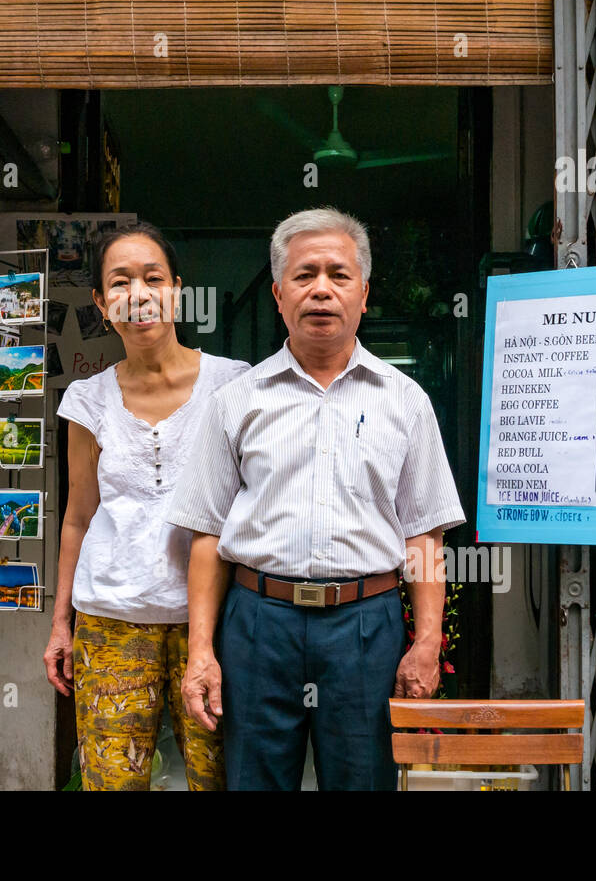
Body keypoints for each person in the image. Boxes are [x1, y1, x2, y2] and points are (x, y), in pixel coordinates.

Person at [168, 207, 465, 791]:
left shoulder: (405, 402)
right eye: (305, 276)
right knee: (254, 781)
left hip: (364, 625)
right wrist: (201, 650)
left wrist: (428, 641)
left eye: (338, 274)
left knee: (363, 780)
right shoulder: (237, 400)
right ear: (278, 295)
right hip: (257, 622)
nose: (321, 289)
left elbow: (426, 534)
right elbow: (206, 534)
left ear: (363, 293)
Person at [44, 222, 250, 791]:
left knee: (220, 778)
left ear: (176, 288)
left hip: (213, 623)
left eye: (152, 277)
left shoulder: (234, 385)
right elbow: (79, 517)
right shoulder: (87, 399)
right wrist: (62, 622)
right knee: (113, 783)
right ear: (100, 303)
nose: (138, 293)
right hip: (112, 620)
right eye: (120, 282)